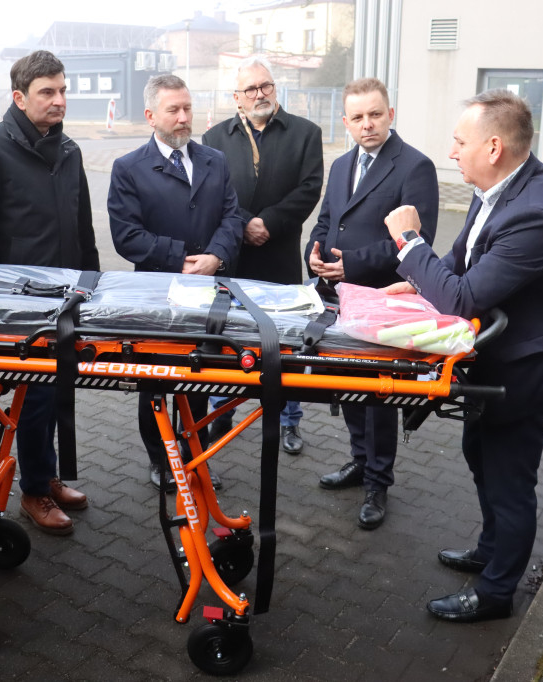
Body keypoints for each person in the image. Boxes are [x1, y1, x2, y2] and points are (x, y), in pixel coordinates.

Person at [384, 89, 543, 623]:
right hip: (488, 369)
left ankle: (496, 594)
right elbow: (462, 260)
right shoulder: (495, 189)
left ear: (493, 147)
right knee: (480, 462)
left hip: (520, 377)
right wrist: (420, 283)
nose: (452, 151)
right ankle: (490, 551)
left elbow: (466, 297)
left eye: (459, 141)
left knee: (510, 485)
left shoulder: (541, 214)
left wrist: (408, 245)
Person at [0, 50, 97, 535]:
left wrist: (92, 282)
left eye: (62, 90)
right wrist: (2, 306)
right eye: (47, 92)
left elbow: (82, 226)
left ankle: (47, 475)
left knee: (58, 394)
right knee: (33, 401)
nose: (59, 100)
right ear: (19, 97)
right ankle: (34, 494)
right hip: (22, 304)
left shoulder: (69, 150)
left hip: (67, 297)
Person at [304, 78, 438, 530]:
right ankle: (360, 462)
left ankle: (379, 483)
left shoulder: (415, 167)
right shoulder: (342, 164)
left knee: (379, 395)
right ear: (345, 122)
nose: (367, 125)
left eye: (375, 115)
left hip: (383, 301)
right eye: (358, 117)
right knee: (348, 388)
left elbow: (416, 241)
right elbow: (326, 220)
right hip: (340, 298)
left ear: (390, 114)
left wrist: (352, 264)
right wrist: (314, 251)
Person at [108, 74, 243, 491]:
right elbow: (125, 235)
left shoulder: (215, 161)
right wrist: (179, 259)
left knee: (202, 376)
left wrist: (217, 255)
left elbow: (233, 217)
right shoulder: (128, 168)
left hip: (209, 293)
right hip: (157, 295)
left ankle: (196, 457)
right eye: (174, 110)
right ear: (151, 116)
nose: (184, 117)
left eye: (187, 108)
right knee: (156, 382)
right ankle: (162, 461)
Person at [201, 56, 323, 455]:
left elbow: (309, 189)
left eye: (265, 86)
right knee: (231, 338)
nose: (259, 94)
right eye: (250, 89)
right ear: (237, 98)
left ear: (275, 88)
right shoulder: (215, 137)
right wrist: (245, 223)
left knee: (285, 345)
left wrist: (268, 222)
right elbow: (214, 194)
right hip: (235, 259)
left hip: (280, 255)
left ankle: (289, 421)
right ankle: (221, 411)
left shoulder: (306, 133)